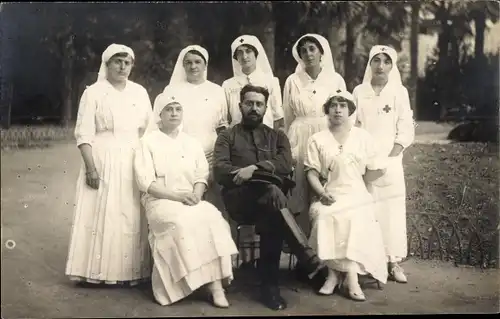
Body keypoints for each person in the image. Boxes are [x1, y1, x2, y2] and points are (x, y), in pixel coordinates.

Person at [213, 84, 326, 311]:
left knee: (272, 209)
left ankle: (270, 286)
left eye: (259, 104)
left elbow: (285, 166)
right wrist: (262, 174)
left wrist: (253, 169)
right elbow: (221, 170)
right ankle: (303, 261)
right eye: (249, 103)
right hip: (240, 202)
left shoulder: (278, 137)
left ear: (266, 108)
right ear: (240, 106)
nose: (254, 108)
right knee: (272, 195)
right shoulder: (227, 136)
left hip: (271, 205)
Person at [134, 93, 238, 308]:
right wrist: (177, 196)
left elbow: (201, 175)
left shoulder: (191, 142)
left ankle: (215, 286)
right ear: (159, 114)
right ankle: (187, 283)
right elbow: (146, 183)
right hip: (160, 200)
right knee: (181, 224)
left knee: (212, 217)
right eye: (168, 109)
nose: (173, 113)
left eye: (177, 109)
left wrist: (197, 195)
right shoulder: (147, 142)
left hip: (190, 198)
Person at [66, 43, 155, 286]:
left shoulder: (139, 92)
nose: (123, 67)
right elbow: (83, 134)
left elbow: (150, 129)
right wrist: (91, 168)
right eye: (117, 61)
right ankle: (93, 271)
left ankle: (129, 273)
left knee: (129, 214)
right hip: (102, 157)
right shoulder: (93, 92)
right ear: (107, 64)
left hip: (133, 158)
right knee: (100, 212)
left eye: (127, 62)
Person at [305, 89, 388, 302]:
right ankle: (337, 275)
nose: (338, 110)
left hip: (357, 194)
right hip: (330, 194)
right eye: (333, 105)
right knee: (325, 216)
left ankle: (345, 276)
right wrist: (322, 193)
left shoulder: (362, 137)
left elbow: (377, 168)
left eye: (342, 105)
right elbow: (311, 173)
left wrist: (362, 184)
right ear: (327, 110)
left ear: (350, 110)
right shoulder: (317, 139)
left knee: (356, 216)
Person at [352, 45, 415, 283]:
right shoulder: (359, 91)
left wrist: (391, 157)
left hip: (391, 160)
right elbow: (353, 125)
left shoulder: (399, 92)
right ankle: (366, 262)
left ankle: (393, 261)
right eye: (376, 61)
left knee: (391, 212)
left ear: (392, 65)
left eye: (385, 61)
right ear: (370, 64)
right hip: (364, 160)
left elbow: (406, 128)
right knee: (367, 210)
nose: (380, 66)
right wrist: (362, 158)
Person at [282, 33, 347, 237]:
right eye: (304, 50)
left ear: (321, 52)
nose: (308, 54)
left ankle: (327, 246)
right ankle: (303, 249)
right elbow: (287, 116)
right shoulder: (293, 80)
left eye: (312, 49)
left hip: (326, 133)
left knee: (326, 185)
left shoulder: (335, 79)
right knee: (300, 186)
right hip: (300, 136)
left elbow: (343, 113)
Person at [155, 44, 228, 211]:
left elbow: (222, 125)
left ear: (205, 65)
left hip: (211, 154)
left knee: (211, 203)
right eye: (188, 62)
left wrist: (219, 152)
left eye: (197, 62)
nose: (193, 66)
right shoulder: (172, 90)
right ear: (183, 65)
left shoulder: (217, 90)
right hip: (180, 154)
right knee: (186, 202)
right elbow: (163, 124)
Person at [222, 34, 284, 130]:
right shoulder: (228, 85)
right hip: (237, 137)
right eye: (240, 53)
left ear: (255, 54)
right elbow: (226, 118)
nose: (244, 56)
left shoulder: (271, 81)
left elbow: (277, 117)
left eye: (248, 51)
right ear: (236, 57)